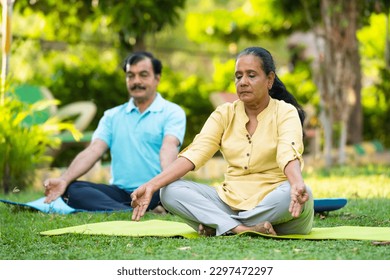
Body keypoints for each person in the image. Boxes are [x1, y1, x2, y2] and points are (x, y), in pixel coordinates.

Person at [130, 46, 314, 236]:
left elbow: (288, 153)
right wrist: (152, 185)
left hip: (275, 206)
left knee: (299, 194)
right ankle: (242, 229)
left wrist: (297, 183)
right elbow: (195, 154)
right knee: (168, 191)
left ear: (269, 80)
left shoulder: (285, 112)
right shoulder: (225, 113)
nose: (243, 82)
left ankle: (221, 225)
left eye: (251, 75)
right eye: (238, 76)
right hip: (229, 202)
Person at [43, 51, 186, 212]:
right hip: (120, 192)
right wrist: (63, 179)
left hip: (155, 189)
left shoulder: (172, 112)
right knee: (72, 189)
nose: (136, 81)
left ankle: (148, 205)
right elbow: (93, 150)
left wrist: (167, 186)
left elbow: (169, 147)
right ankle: (132, 210)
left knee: (167, 193)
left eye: (143, 75)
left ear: (157, 78)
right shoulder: (112, 116)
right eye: (130, 76)